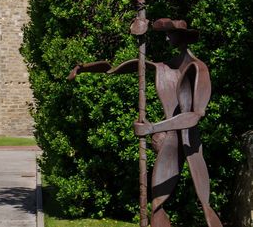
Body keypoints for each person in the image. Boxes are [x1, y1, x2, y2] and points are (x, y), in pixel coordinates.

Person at [69, 18, 221, 227]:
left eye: (171, 34)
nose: (167, 38)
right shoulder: (165, 67)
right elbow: (124, 67)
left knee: (204, 203)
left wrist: (153, 128)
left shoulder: (198, 69)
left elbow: (195, 116)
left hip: (189, 144)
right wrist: (84, 68)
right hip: (170, 143)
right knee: (157, 205)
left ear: (183, 37)